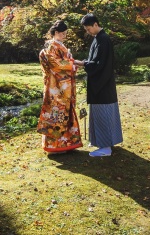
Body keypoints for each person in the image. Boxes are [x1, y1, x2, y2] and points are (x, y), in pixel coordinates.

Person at [37, 20, 83, 154]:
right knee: (56, 112)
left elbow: (63, 62)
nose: (64, 36)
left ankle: (67, 143)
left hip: (61, 84)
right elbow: (55, 64)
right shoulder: (52, 46)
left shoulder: (57, 45)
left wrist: (73, 63)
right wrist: (73, 64)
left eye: (65, 33)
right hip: (56, 86)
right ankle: (55, 146)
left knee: (64, 111)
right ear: (56, 33)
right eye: (63, 33)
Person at [80, 13, 123, 157]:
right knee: (102, 115)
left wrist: (83, 63)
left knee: (103, 115)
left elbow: (100, 64)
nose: (88, 32)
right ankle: (103, 142)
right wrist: (86, 62)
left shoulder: (103, 40)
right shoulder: (99, 38)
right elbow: (95, 60)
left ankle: (105, 148)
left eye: (88, 29)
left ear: (96, 25)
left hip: (102, 85)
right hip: (103, 84)